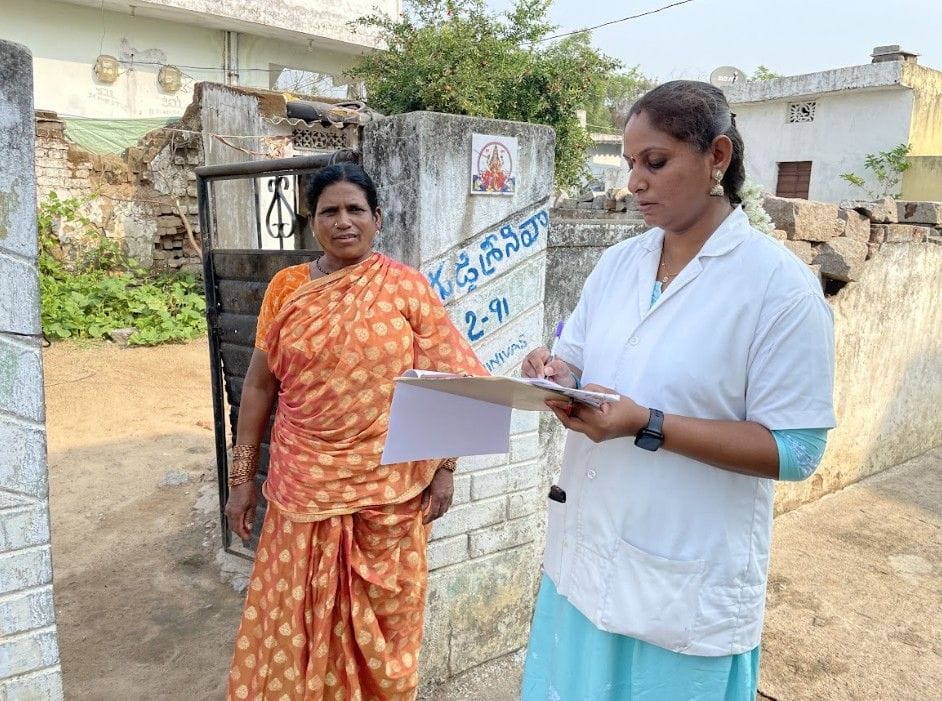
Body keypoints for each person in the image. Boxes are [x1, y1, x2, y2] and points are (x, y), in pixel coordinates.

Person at [519, 80, 836, 700]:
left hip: (682, 590)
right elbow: (579, 364)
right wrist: (558, 378)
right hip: (583, 562)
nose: (634, 181)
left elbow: (797, 451)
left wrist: (647, 425)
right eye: (631, 162)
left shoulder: (779, 289)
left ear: (718, 156)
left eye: (655, 162)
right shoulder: (619, 265)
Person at [224, 163, 485, 700]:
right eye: (329, 212)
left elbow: (454, 380)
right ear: (312, 222)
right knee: (293, 615)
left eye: (355, 210)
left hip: (390, 492)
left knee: (385, 627)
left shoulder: (407, 287)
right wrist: (241, 477)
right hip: (304, 487)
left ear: (377, 219)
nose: (343, 222)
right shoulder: (287, 290)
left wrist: (445, 470)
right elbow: (257, 389)